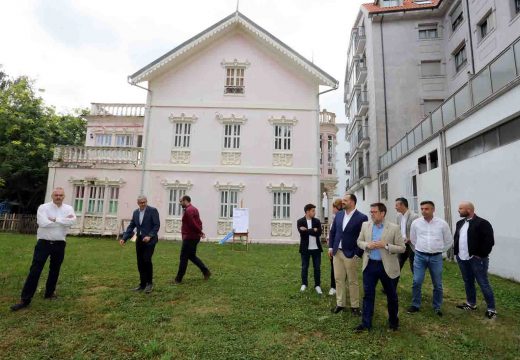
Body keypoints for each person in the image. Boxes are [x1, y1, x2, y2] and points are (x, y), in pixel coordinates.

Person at [11, 187, 76, 311]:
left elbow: (72, 222)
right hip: (43, 243)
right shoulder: (43, 207)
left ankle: (49, 293)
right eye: (56, 195)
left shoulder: (68, 208)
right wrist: (63, 221)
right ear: (52, 196)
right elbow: (43, 223)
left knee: (55, 270)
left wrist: (55, 220)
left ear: (64, 196)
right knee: (35, 270)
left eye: (61, 195)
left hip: (59, 243)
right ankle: (25, 299)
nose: (58, 197)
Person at [355, 203, 405, 331]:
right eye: (371, 212)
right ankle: (366, 324)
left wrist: (386, 245)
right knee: (368, 295)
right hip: (370, 265)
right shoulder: (365, 225)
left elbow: (402, 248)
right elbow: (359, 241)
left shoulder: (394, 228)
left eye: (374, 212)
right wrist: (367, 245)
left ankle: (394, 323)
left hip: (387, 267)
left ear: (382, 213)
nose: (371, 214)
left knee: (391, 296)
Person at [407, 201, 453, 316]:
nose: (423, 211)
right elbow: (413, 239)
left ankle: (437, 306)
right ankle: (415, 305)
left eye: (426, 209)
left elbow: (448, 241)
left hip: (436, 258)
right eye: (422, 209)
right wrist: (420, 249)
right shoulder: (416, 223)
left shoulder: (442, 224)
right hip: (420, 256)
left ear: (433, 210)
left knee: (437, 283)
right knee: (417, 281)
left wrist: (438, 250)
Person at [453, 202, 496, 319]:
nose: (458, 210)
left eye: (460, 208)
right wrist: (456, 253)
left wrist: (480, 254)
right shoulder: (460, 223)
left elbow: (489, 241)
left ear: (469, 209)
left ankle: (491, 309)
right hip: (462, 258)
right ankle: (471, 304)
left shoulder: (482, 223)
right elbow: (457, 238)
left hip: (477, 259)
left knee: (483, 283)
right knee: (468, 281)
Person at [328, 193, 368, 315]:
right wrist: (330, 247)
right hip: (337, 252)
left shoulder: (362, 217)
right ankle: (340, 304)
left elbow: (364, 237)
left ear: (352, 202)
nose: (343, 202)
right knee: (338, 279)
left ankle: (355, 306)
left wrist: (357, 253)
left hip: (351, 254)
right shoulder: (339, 215)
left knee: (352, 281)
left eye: (345, 200)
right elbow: (333, 231)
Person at [120, 195, 160, 293]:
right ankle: (142, 284)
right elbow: (131, 226)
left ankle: (149, 284)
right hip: (139, 240)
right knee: (140, 262)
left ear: (146, 201)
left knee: (147, 260)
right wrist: (124, 238)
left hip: (150, 240)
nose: (143, 204)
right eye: (141, 202)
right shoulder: (135, 213)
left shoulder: (153, 210)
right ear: (138, 203)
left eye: (145, 202)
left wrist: (149, 236)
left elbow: (156, 225)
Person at [174, 195, 211, 283]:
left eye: (181, 201)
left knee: (183, 257)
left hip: (190, 237)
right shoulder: (194, 209)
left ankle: (178, 279)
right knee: (191, 256)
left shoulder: (189, 210)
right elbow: (199, 222)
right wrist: (199, 232)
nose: (180, 203)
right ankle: (206, 271)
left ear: (185, 200)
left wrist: (200, 232)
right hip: (193, 237)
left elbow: (193, 223)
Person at [296, 204, 323, 294]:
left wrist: (307, 230)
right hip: (305, 248)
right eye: (313, 211)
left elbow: (319, 233)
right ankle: (304, 284)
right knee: (304, 267)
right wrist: (313, 230)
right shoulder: (300, 221)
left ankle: (317, 285)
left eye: (314, 211)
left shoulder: (317, 221)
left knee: (317, 268)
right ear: (307, 212)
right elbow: (302, 234)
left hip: (316, 249)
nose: (314, 212)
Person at [395, 197, 419, 274]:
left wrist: (410, 238)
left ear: (402, 205)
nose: (395, 207)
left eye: (396, 205)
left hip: (412, 245)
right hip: (402, 245)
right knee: (397, 265)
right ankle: (390, 285)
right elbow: (398, 229)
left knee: (413, 267)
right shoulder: (398, 216)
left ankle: (416, 285)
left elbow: (417, 231)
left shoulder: (414, 216)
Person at [327, 199, 343, 296]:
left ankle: (335, 287)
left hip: (338, 247)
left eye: (333, 207)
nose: (332, 209)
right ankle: (334, 286)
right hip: (333, 247)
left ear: (337, 207)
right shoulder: (335, 217)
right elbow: (332, 232)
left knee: (335, 268)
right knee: (334, 268)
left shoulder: (340, 217)